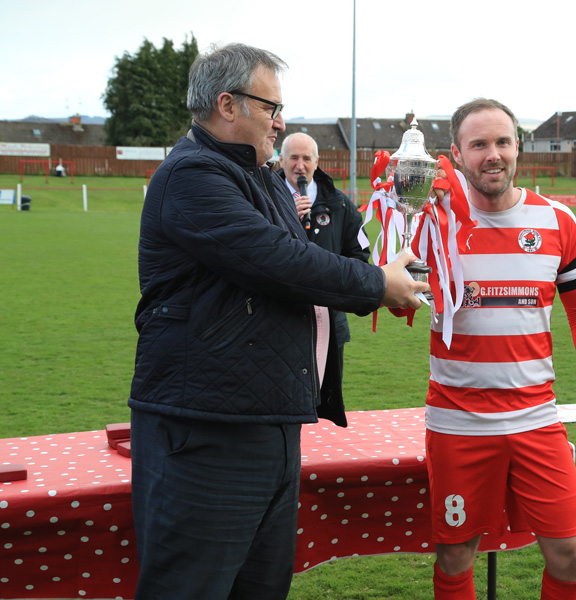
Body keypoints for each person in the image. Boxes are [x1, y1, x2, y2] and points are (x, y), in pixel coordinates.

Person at [128, 43, 427, 600]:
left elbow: (306, 263)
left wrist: (376, 270)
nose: (281, 121)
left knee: (262, 588)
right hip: (208, 431)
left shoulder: (259, 176)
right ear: (227, 104)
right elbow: (278, 262)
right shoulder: (192, 175)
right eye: (271, 108)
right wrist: (376, 285)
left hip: (270, 420)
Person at [426, 98, 576, 600]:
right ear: (457, 153)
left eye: (503, 142)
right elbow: (398, 296)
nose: (493, 154)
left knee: (570, 553)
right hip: (457, 420)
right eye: (479, 144)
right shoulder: (431, 222)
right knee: (455, 555)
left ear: (517, 147)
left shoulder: (556, 221)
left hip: (535, 417)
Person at [276, 132, 369, 386]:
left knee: (322, 404)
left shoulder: (341, 205)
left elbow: (360, 258)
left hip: (329, 324)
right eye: (293, 158)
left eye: (306, 158)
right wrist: (283, 219)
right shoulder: (265, 202)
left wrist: (335, 290)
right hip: (276, 324)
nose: (300, 165)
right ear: (281, 160)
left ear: (317, 162)